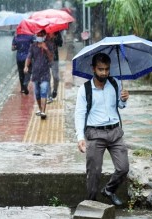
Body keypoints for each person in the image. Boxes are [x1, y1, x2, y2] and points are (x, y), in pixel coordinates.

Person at [74, 53, 130, 206]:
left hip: (115, 132)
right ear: (93, 69)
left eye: (106, 69)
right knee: (94, 172)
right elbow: (79, 114)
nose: (104, 73)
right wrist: (80, 137)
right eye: (100, 69)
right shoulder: (84, 89)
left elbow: (120, 105)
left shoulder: (115, 83)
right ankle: (91, 203)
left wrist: (123, 99)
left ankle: (109, 190)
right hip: (95, 133)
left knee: (123, 167)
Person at [24, 30, 53, 120]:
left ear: (44, 35)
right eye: (38, 35)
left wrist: (46, 49)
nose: (39, 36)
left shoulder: (49, 45)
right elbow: (29, 57)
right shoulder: (33, 46)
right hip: (36, 73)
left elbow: (51, 59)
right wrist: (26, 66)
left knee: (43, 91)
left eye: (41, 34)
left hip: (45, 73)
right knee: (37, 93)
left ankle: (43, 111)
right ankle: (40, 109)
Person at [46, 31, 63, 102]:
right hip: (45, 58)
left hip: (54, 58)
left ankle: (55, 90)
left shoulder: (57, 32)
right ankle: (49, 95)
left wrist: (54, 38)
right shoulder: (43, 32)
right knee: (47, 77)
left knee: (55, 76)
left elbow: (60, 44)